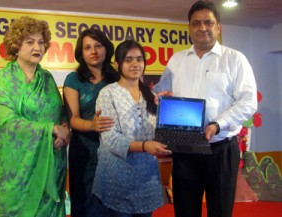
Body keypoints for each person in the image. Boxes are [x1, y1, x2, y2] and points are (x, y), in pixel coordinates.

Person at [153, 1, 258, 217]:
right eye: (196, 23)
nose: (203, 28)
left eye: (208, 23)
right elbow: (160, 93)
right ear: (189, 28)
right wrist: (159, 98)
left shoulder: (235, 60)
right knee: (184, 210)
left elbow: (248, 102)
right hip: (185, 150)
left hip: (220, 148)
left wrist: (217, 125)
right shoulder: (176, 60)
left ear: (218, 27)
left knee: (219, 210)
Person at [0, 16, 70, 217]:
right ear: (16, 46)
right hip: (18, 171)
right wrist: (50, 129)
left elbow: (61, 113)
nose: (37, 47)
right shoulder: (5, 78)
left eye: (41, 42)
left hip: (52, 166)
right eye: (30, 42)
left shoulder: (47, 78)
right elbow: (7, 122)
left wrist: (64, 131)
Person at [91, 40, 172, 217]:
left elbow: (157, 133)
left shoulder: (150, 95)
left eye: (139, 59)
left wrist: (168, 108)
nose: (135, 64)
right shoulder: (108, 93)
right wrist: (144, 146)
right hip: (117, 178)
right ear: (117, 64)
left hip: (147, 178)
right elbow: (111, 139)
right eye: (128, 60)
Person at [63, 28, 120, 217]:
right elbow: (72, 119)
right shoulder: (74, 79)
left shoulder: (118, 79)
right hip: (84, 153)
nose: (93, 51)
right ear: (81, 53)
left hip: (113, 151)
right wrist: (92, 125)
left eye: (98, 45)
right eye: (87, 47)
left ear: (106, 49)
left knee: (113, 205)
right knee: (85, 206)